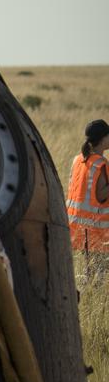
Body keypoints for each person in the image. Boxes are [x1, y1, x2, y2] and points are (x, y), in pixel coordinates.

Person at [67, 118, 109, 283]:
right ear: (103, 139)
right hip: (96, 227)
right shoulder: (101, 163)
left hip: (78, 225)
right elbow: (101, 195)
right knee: (98, 276)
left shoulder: (78, 159)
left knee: (87, 272)